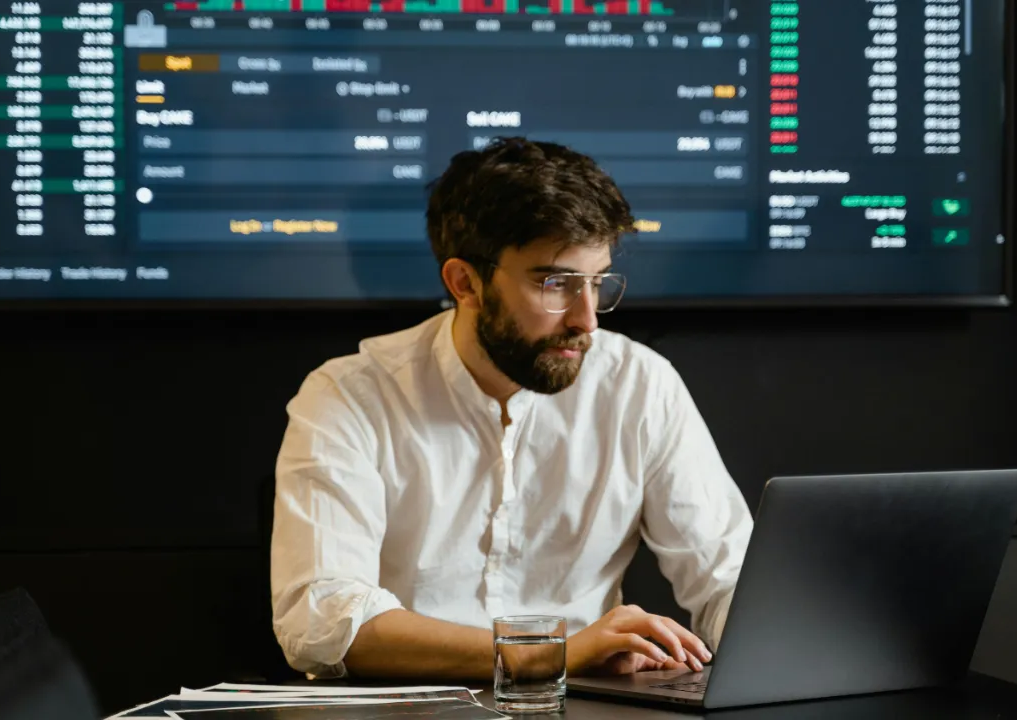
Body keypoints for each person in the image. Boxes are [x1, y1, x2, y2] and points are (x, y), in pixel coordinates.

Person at [271, 137, 754, 681]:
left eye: (597, 283)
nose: (587, 320)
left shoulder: (640, 384)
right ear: (465, 282)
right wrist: (546, 653)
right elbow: (321, 619)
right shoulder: (349, 394)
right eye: (556, 283)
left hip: (591, 710)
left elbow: (731, 579)